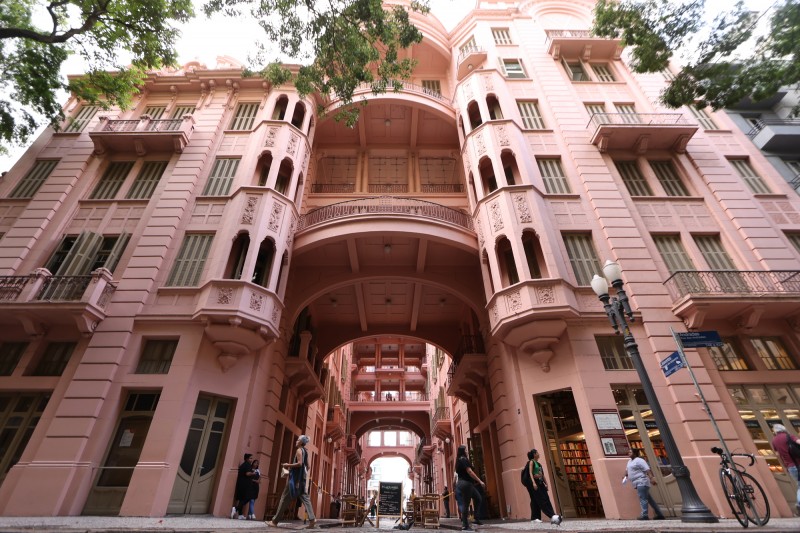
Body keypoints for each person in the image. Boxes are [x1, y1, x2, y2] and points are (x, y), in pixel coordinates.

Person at [268, 435, 317, 529]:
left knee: (284, 498)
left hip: (294, 479)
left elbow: (300, 463)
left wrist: (288, 465)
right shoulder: (305, 451)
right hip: (302, 479)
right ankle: (312, 519)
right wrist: (302, 473)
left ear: (301, 442)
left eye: (298, 440)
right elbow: (308, 466)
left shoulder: (299, 450)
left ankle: (274, 521)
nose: (296, 441)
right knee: (305, 498)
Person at [624, 448, 665, 520]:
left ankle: (644, 515)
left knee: (642, 498)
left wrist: (651, 478)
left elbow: (647, 470)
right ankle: (660, 514)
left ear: (635, 453)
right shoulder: (629, 461)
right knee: (650, 500)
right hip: (636, 482)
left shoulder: (640, 460)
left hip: (641, 481)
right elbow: (627, 470)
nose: (628, 453)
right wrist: (625, 475)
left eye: (630, 452)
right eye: (628, 452)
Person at [524, 449, 561, 524]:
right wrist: (533, 483)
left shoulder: (539, 464)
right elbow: (530, 473)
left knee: (537, 500)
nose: (538, 453)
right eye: (537, 452)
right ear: (534, 454)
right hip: (534, 483)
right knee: (542, 499)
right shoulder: (531, 462)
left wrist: (546, 483)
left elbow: (542, 475)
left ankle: (535, 518)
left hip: (540, 483)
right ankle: (552, 516)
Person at [771, 424, 800, 514]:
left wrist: (785, 465)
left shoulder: (774, 440)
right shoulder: (789, 436)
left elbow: (778, 455)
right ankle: (799, 503)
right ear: (784, 429)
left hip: (790, 466)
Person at [454, 444, 484, 531]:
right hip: (466, 484)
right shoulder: (463, 459)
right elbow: (470, 471)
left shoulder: (459, 460)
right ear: (463, 451)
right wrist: (480, 481)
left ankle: (476, 518)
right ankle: (465, 525)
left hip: (464, 484)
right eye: (466, 450)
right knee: (466, 504)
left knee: (478, 498)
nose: (467, 451)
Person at [233, 453, 255, 519]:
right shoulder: (248, 465)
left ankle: (240, 514)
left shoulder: (243, 464)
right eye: (250, 458)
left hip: (241, 484)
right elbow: (247, 473)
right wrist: (253, 473)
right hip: (245, 484)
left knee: (241, 499)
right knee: (247, 497)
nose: (251, 460)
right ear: (247, 459)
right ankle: (235, 508)